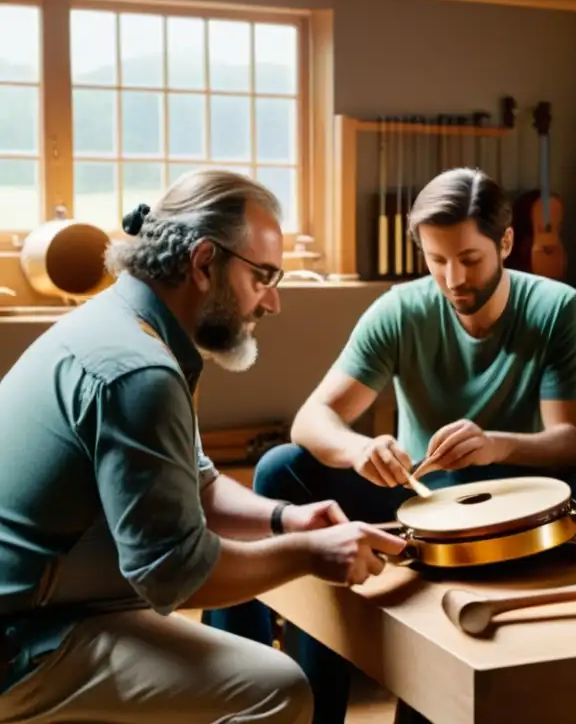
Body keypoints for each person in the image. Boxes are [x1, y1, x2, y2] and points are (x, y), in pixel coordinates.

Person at [206, 166, 576, 723]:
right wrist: (358, 450)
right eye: (436, 260)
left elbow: (568, 445)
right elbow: (313, 418)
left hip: (513, 504)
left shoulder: (557, 307)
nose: (452, 279)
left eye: (469, 260)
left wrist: (496, 445)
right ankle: (261, 694)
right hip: (419, 500)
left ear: (507, 242)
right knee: (282, 469)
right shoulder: (401, 309)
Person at [0, 169, 405, 724]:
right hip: (22, 642)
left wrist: (289, 519)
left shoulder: (127, 325)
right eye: (264, 276)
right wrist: (311, 555)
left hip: (45, 609)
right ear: (204, 262)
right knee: (279, 689)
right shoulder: (139, 372)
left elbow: (200, 485)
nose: (273, 302)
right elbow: (173, 572)